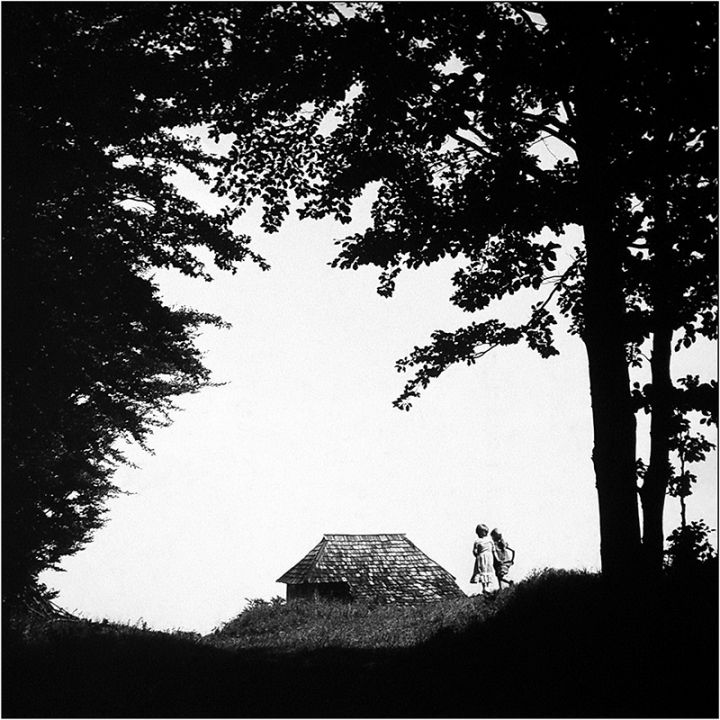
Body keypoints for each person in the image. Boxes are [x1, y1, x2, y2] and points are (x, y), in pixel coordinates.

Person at [470, 524, 495, 593]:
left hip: (489, 557)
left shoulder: (490, 541)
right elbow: (474, 551)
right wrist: (477, 555)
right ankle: (484, 586)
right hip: (481, 557)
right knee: (482, 570)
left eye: (483, 531)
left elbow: (493, 549)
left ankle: (488, 586)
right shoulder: (477, 541)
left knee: (489, 569)